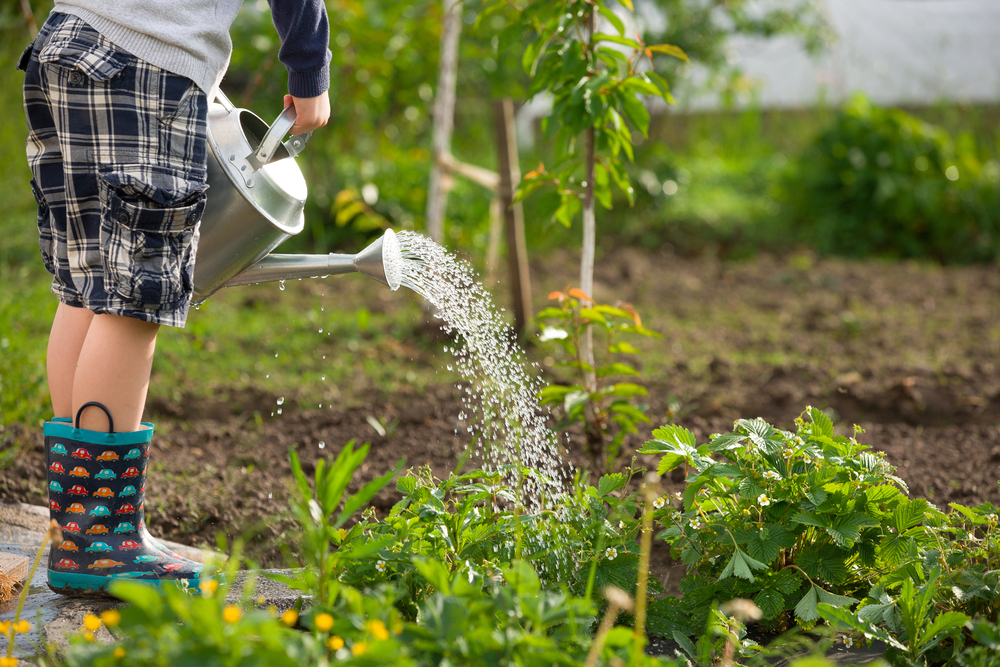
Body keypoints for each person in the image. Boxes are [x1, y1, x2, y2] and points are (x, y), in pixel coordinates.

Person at [20, 0, 331, 595]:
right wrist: (309, 72)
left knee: (85, 288)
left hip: (63, 43)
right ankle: (101, 543)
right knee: (133, 300)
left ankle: (82, 530)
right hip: (147, 56)